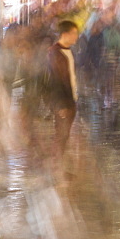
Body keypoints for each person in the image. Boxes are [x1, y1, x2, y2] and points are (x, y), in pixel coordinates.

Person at [45, 20, 80, 158]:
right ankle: (56, 170)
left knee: (64, 136)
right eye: (74, 33)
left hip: (71, 99)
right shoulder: (55, 53)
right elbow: (56, 82)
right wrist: (61, 105)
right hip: (63, 102)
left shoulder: (68, 51)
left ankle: (58, 168)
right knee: (61, 136)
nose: (76, 37)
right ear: (65, 34)